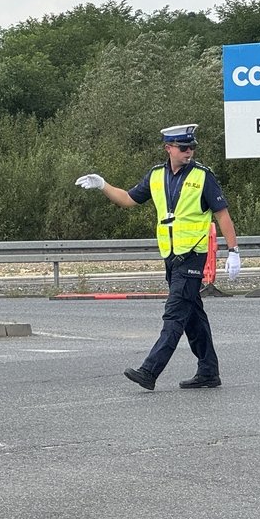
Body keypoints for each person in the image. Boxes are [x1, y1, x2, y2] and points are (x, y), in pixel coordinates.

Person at [76, 124, 240, 390]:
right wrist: (103, 185)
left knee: (174, 315)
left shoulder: (203, 177)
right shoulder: (156, 176)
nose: (190, 152)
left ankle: (150, 371)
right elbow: (128, 199)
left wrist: (234, 251)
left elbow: (222, 214)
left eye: (192, 147)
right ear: (169, 148)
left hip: (192, 256)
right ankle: (208, 371)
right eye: (184, 147)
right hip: (171, 257)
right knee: (193, 316)